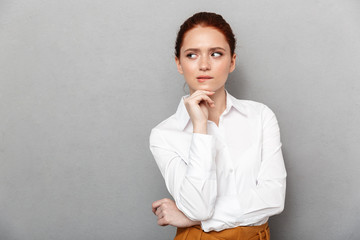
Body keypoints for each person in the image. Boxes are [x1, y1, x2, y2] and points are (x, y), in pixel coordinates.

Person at [149, 12, 286, 240]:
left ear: (232, 61)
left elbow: (273, 199)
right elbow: (199, 207)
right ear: (179, 63)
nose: (204, 65)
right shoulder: (164, 135)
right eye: (192, 55)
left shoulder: (261, 117)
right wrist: (200, 127)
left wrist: (192, 218)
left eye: (216, 54)